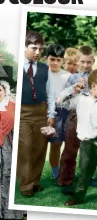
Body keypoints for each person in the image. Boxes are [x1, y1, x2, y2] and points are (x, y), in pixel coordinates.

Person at [57, 69, 97, 209]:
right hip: (87, 143)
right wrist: (71, 89)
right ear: (93, 86)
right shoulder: (80, 99)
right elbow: (59, 101)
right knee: (85, 171)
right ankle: (78, 196)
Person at [17, 30, 56, 197]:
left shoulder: (44, 68)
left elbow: (50, 93)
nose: (38, 52)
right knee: (25, 148)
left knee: (40, 148)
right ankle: (26, 186)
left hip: (41, 111)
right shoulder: (15, 65)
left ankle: (35, 181)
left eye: (41, 49)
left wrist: (51, 114)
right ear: (24, 47)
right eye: (34, 48)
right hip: (22, 112)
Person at [58, 45, 95, 194]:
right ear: (77, 61)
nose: (85, 65)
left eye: (89, 62)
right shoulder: (71, 77)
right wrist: (75, 90)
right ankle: (66, 181)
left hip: (92, 118)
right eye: (82, 62)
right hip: (75, 116)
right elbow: (64, 99)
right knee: (70, 150)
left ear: (93, 61)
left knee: (90, 151)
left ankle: (87, 177)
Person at [45, 44, 71, 181]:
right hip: (43, 111)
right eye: (52, 59)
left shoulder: (67, 76)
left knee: (57, 144)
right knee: (41, 146)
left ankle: (57, 173)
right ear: (46, 59)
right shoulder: (42, 73)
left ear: (62, 61)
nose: (55, 62)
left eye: (58, 60)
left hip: (62, 113)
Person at [0, 80, 24, 220]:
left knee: (8, 175)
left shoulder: (13, 106)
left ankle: (10, 214)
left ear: (5, 91)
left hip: (9, 144)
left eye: (0, 90)